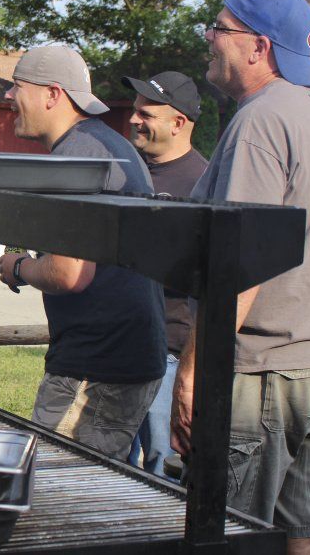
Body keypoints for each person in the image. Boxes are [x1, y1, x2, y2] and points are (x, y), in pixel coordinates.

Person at [171, 0, 310, 555]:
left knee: (226, 535)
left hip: (264, 375)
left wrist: (192, 372)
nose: (210, 39)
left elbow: (241, 264)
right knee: (302, 528)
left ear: (258, 47)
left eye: (220, 29)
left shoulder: (261, 120)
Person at [0, 46, 166, 461]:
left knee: (61, 485)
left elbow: (69, 273)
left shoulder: (76, 157)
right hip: (129, 352)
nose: (7, 96)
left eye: (18, 86)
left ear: (53, 94)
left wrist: (16, 267)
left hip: (95, 366)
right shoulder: (108, 144)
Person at [121, 71, 208, 478]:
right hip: (118, 348)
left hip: (170, 356)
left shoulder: (204, 184)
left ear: (178, 122)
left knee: (160, 468)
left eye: (147, 113)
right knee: (111, 467)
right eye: (136, 111)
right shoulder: (121, 172)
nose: (135, 119)